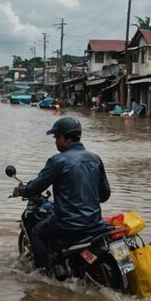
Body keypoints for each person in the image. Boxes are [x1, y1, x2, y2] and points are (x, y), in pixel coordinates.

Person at [13, 116, 111, 270]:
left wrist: (21, 190)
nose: (55, 141)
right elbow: (105, 195)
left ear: (65, 139)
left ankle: (42, 275)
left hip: (68, 224)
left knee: (38, 232)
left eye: (56, 137)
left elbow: (35, 187)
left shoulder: (57, 161)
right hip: (95, 223)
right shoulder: (95, 159)